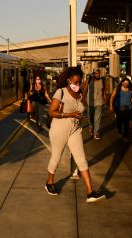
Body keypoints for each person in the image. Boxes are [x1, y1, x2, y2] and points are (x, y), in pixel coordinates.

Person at [45, 67, 106, 202]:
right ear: (68, 80)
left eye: (79, 82)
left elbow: (80, 105)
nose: (77, 85)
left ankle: (90, 192)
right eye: (75, 82)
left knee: (81, 159)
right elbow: (51, 112)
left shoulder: (79, 94)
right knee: (56, 156)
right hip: (59, 128)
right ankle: (49, 182)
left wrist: (80, 115)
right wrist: (70, 114)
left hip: (75, 130)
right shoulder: (61, 92)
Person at [109, 77, 132, 143]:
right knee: (119, 121)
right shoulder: (117, 89)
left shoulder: (130, 91)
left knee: (126, 123)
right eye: (124, 83)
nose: (126, 84)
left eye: (127, 83)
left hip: (128, 109)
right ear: (122, 83)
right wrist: (111, 106)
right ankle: (119, 130)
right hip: (118, 108)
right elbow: (112, 97)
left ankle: (125, 136)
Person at [83, 69, 106, 140]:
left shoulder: (102, 80)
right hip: (90, 102)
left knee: (97, 119)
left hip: (99, 102)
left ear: (100, 74)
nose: (97, 75)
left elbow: (103, 89)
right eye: (95, 73)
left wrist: (104, 98)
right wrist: (87, 79)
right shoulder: (90, 80)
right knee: (90, 117)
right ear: (93, 74)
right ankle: (91, 126)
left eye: (98, 73)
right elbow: (85, 87)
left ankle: (96, 133)